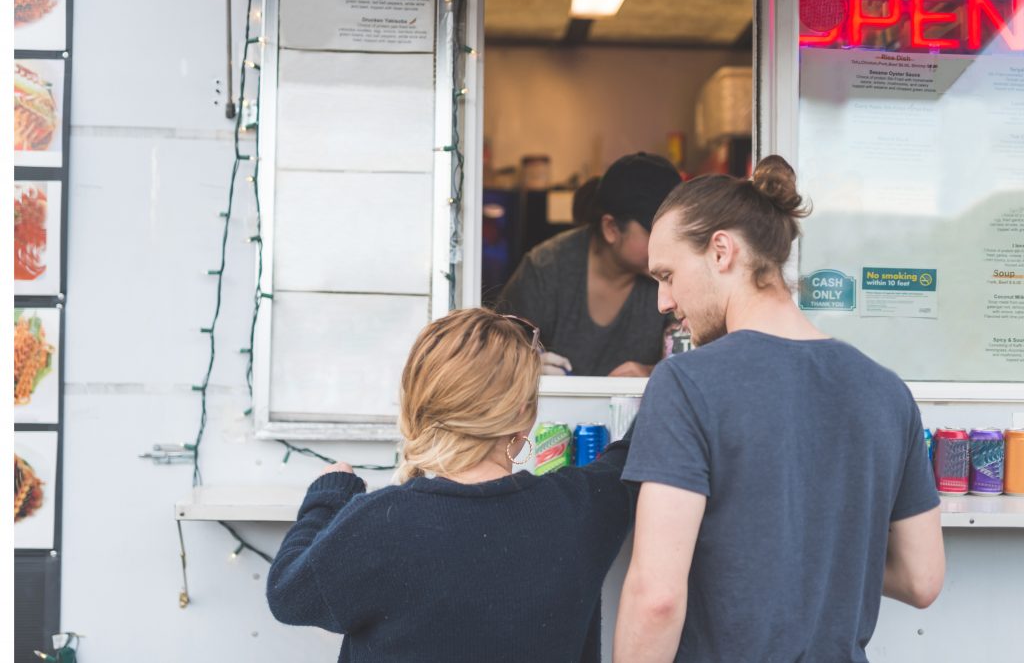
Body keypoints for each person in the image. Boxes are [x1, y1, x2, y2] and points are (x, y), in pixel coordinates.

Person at [614, 156, 945, 662]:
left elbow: (656, 598)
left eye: (667, 275)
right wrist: (818, 555)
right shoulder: (886, 391)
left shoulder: (686, 383)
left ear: (721, 251)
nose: (663, 300)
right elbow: (922, 579)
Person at [266, 308, 635, 663]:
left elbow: (287, 594)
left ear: (416, 404)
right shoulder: (583, 506)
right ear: (523, 411)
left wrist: (330, 494)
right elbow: (641, 443)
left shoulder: (381, 523)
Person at [497, 153, 682, 377]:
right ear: (611, 228)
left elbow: (691, 362)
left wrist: (651, 372)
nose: (670, 245)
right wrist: (527, 368)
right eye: (654, 231)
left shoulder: (673, 275)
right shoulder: (545, 269)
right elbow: (494, 359)